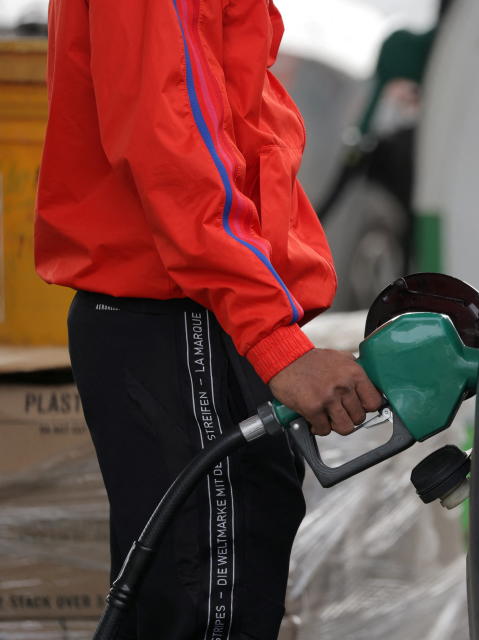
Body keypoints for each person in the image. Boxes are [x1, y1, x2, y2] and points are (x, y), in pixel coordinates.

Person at [35, 1, 381, 637]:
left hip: (193, 307)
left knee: (213, 586)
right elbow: (175, 143)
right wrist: (274, 340)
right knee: (207, 607)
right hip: (180, 315)